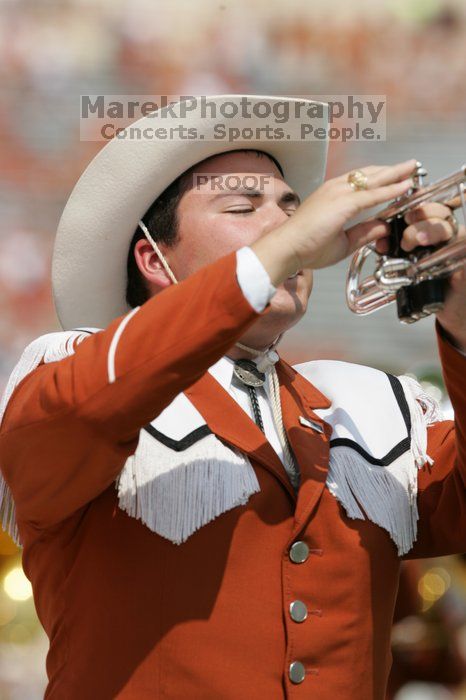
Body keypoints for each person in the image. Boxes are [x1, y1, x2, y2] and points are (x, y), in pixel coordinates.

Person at [0, 95, 465, 699]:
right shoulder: (75, 367)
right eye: (245, 208)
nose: (286, 227)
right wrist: (282, 248)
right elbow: (87, 404)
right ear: (154, 259)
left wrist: (458, 313)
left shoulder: (361, 402)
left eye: (292, 210)